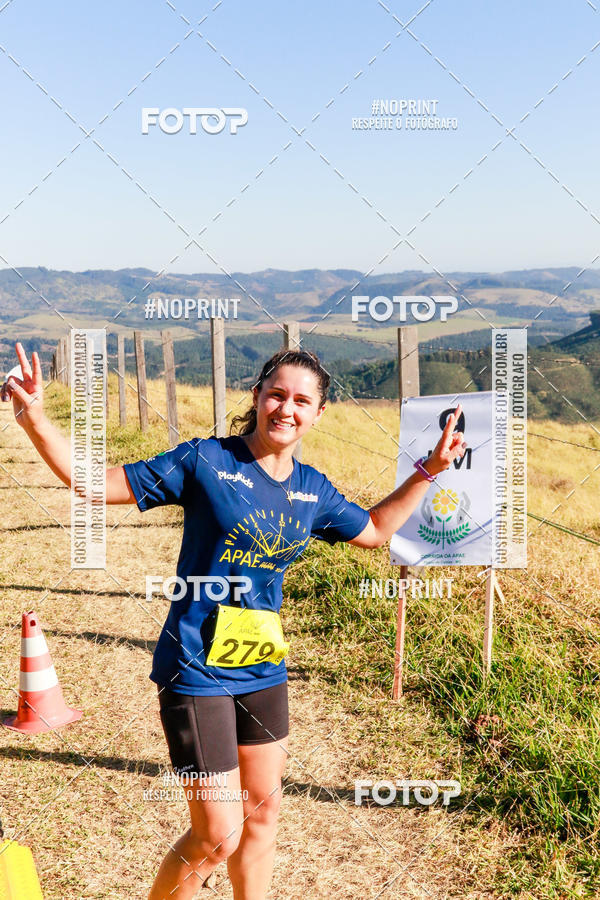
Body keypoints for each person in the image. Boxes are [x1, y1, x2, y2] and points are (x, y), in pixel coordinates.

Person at [5, 342, 465, 900]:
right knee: (217, 835)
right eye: (277, 395)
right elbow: (95, 484)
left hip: (262, 666)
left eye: (301, 401)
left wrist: (429, 470)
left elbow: (372, 530)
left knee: (263, 813)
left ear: (319, 413)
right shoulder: (206, 461)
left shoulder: (312, 489)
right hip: (196, 668)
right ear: (257, 396)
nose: (286, 409)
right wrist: (35, 418)